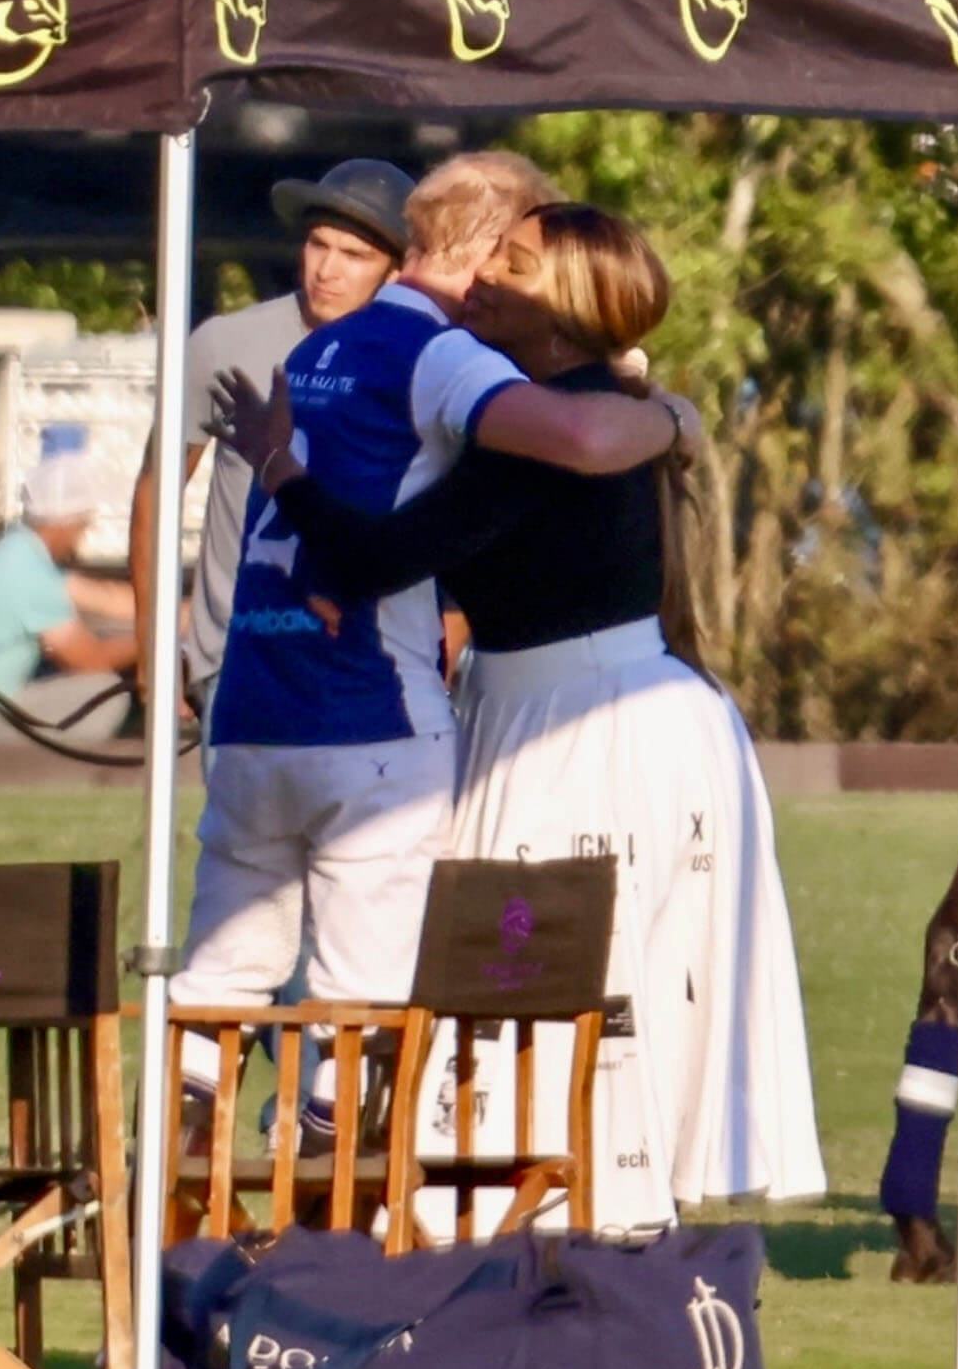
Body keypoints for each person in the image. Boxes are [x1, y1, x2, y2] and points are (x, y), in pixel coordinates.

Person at [217, 202, 826, 1233]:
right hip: (566, 711)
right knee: (570, 996)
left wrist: (279, 467)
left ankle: (585, 1255)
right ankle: (582, 1251)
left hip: (587, 730)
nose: (482, 278)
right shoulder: (570, 412)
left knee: (565, 994)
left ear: (569, 304)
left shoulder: (553, 431)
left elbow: (374, 559)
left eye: (514, 263)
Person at [172, 153, 693, 1157]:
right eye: (514, 256)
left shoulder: (317, 348)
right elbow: (575, 437)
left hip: (251, 707)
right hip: (365, 716)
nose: (511, 282)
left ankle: (172, 1195)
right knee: (360, 993)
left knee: (221, 974)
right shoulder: (443, 354)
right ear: (479, 247)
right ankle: (332, 1219)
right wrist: (663, 415)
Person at [129, 157, 415, 1143]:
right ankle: (244, 1136)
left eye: (352, 253)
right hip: (238, 666)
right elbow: (160, 484)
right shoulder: (230, 342)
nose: (325, 268)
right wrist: (155, 640)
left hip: (365, 677)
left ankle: (298, 1129)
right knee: (256, 918)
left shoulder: (417, 357)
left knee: (330, 926)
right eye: (316, 244)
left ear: (393, 268)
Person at [0, 424, 138, 740]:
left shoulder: (16, 550)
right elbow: (91, 660)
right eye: (82, 525)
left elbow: (102, 597)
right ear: (66, 522)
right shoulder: (29, 573)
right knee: (104, 691)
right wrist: (157, 641)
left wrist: (182, 613)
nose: (82, 535)